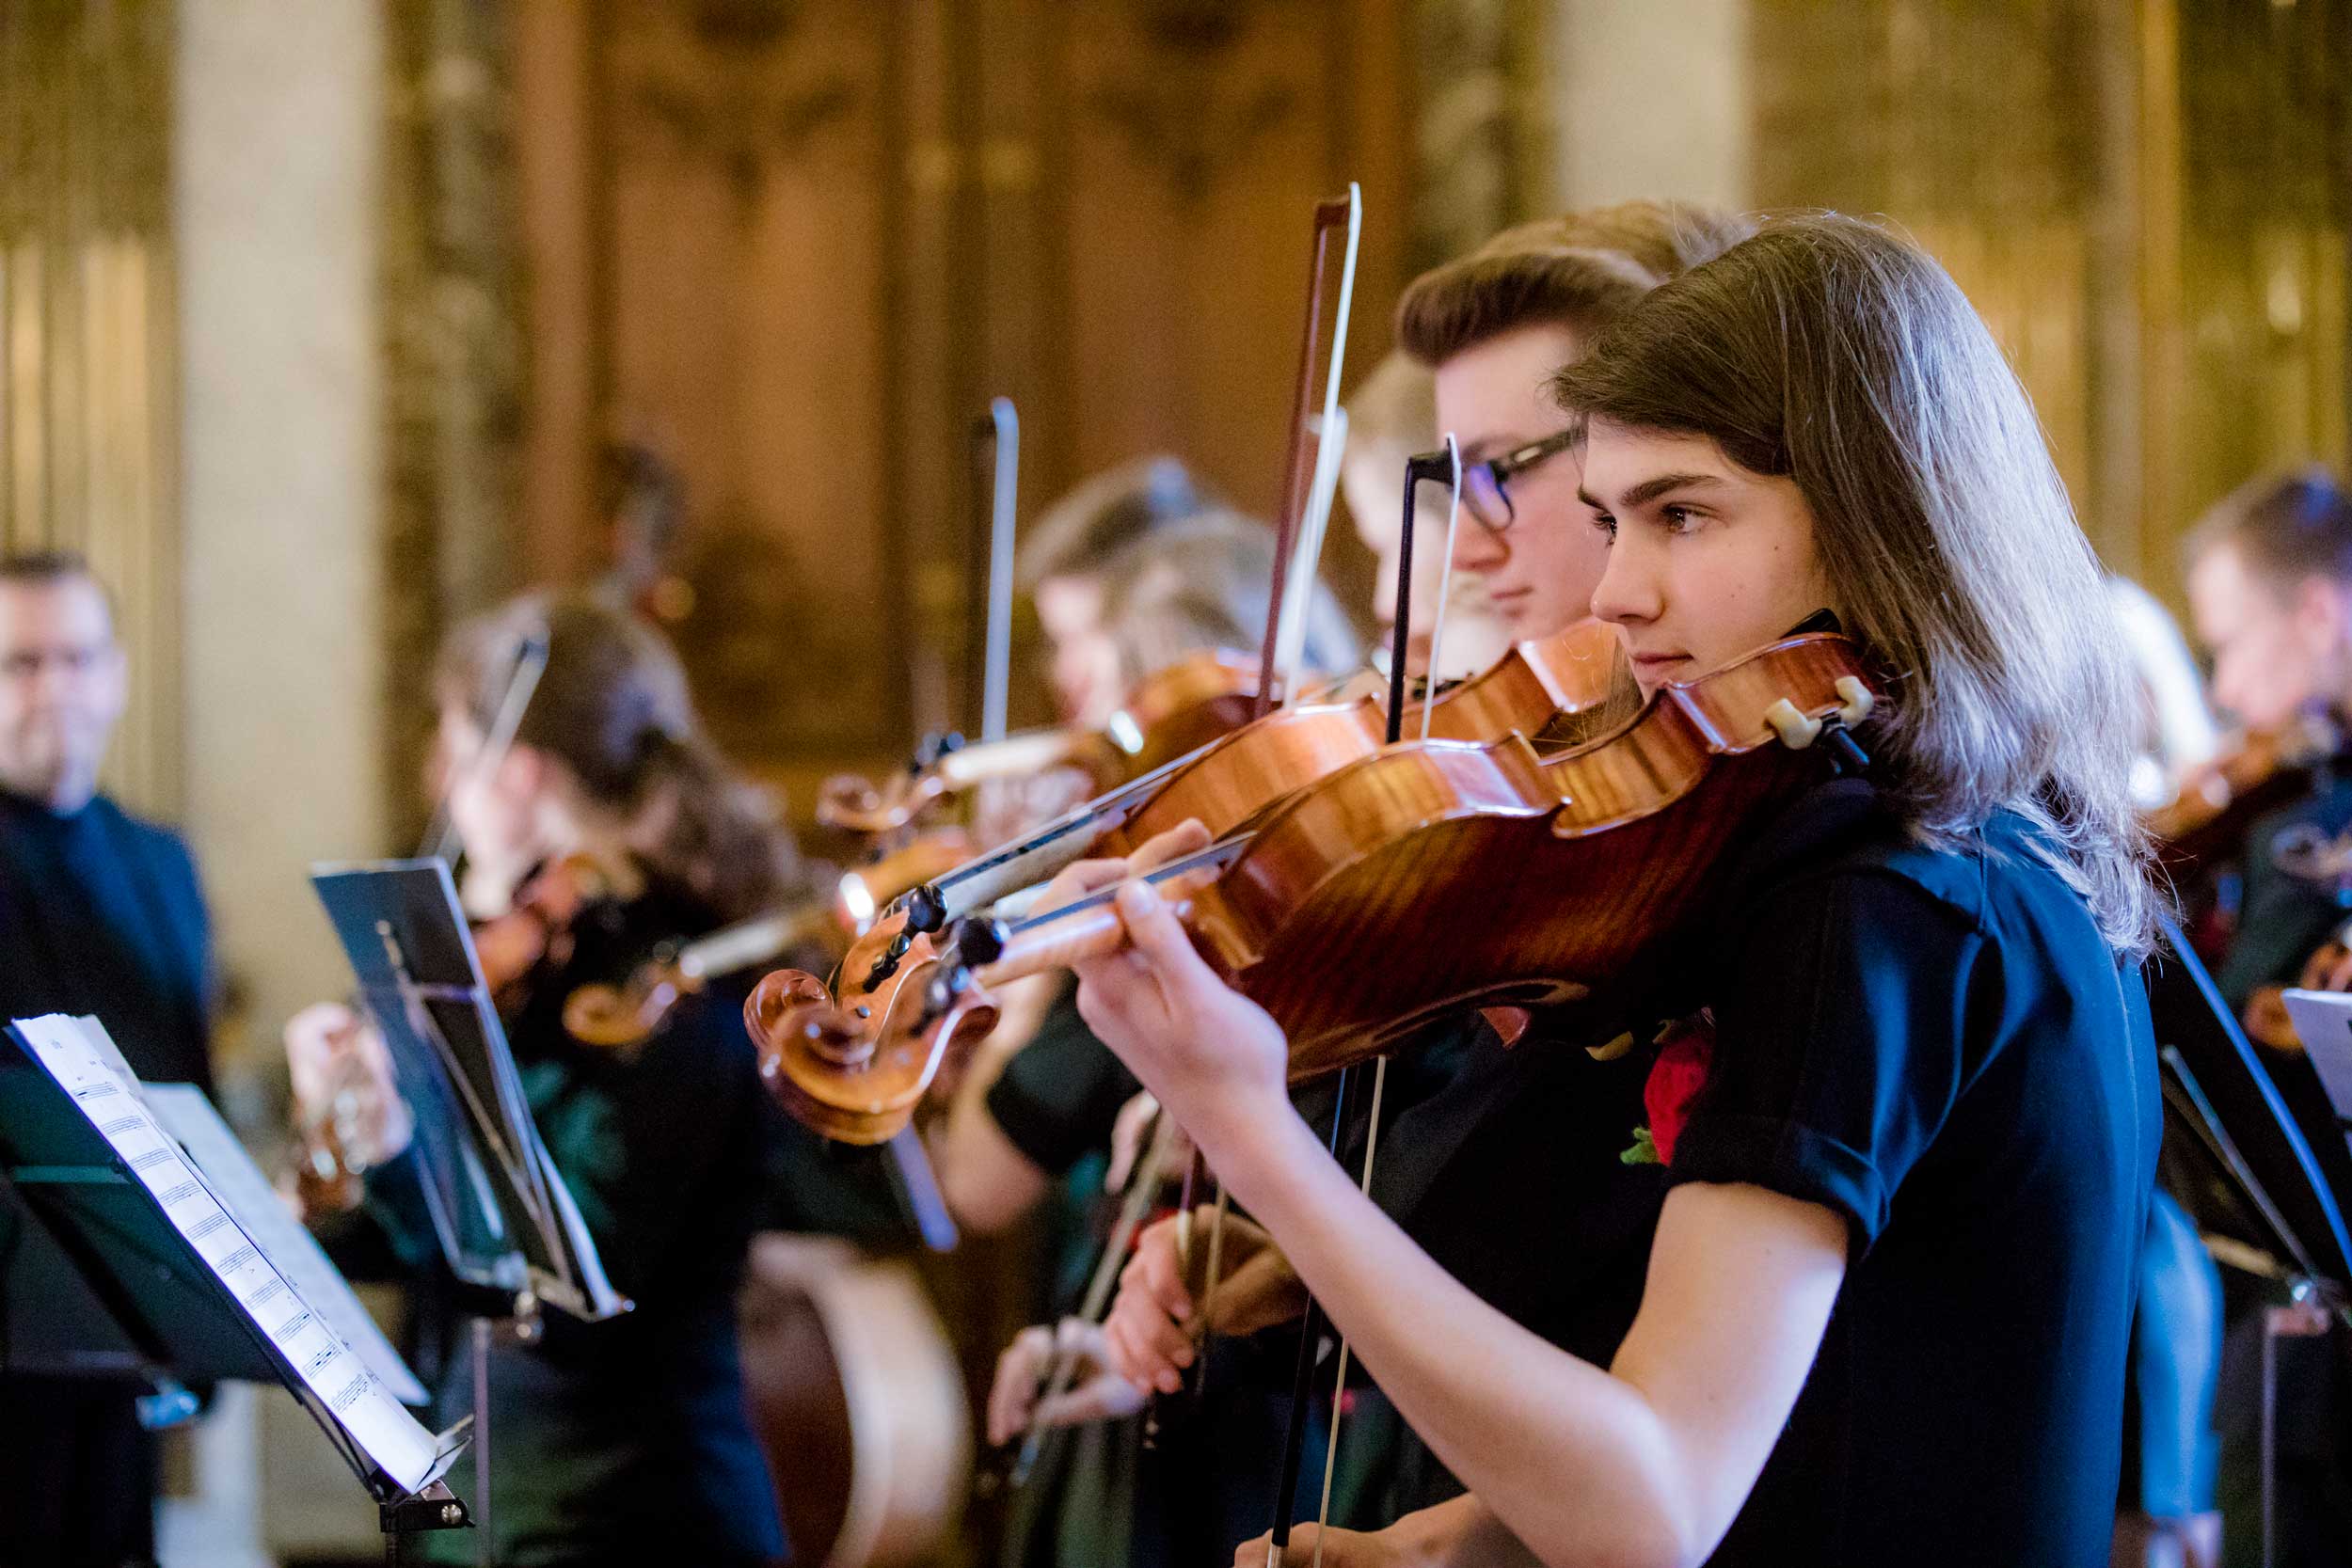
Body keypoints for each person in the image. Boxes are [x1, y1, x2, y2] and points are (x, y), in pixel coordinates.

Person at [1070, 214, 2159, 1567]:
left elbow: (1657, 1506)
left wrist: (1247, 1122)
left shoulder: (1875, 904)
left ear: (1880, 515)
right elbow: (1840, 1399)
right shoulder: (1960, 841)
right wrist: (1436, 1547)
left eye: (1683, 514)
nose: (1623, 592)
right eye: (1607, 519)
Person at [283, 593, 821, 1566]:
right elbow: (395, 1248)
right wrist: (344, 1144)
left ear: (518, 774)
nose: (445, 793)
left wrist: (408, 1146)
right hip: (478, 1513)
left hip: (626, 1522)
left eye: (457, 757)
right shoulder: (510, 968)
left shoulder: (676, 990)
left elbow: (567, 1309)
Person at [0, 551, 216, 1568]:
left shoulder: (161, 861)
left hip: (132, 1341)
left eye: (79, 658)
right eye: (21, 662)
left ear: (119, 673)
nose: (56, 689)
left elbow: (193, 1096)